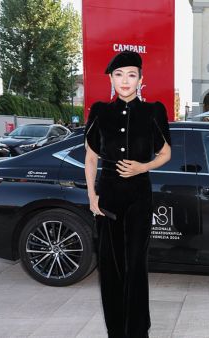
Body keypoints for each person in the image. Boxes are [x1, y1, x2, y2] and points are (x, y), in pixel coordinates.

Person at [84, 51, 171, 338]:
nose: (125, 80)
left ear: (140, 80)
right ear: (111, 79)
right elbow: (91, 158)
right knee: (109, 268)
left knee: (135, 265)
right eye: (119, 75)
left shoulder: (153, 112)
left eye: (131, 74)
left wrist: (143, 166)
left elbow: (166, 153)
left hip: (138, 197)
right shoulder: (100, 112)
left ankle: (136, 331)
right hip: (107, 196)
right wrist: (92, 198)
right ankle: (116, 331)